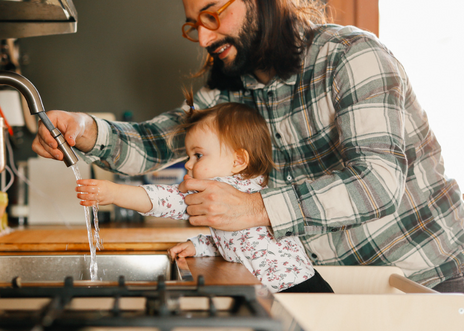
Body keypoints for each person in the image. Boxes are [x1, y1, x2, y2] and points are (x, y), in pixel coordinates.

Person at [32, 0, 464, 331]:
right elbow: (154, 142)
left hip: (422, 286)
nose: (204, 37)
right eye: (194, 24)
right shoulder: (225, 90)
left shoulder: (350, 57)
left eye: (212, 14)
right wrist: (85, 130)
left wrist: (254, 208)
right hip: (329, 293)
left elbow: (376, 185)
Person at [76, 98, 333, 294]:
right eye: (188, 156)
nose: (188, 164)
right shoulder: (245, 191)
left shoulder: (231, 189)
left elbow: (166, 200)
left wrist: (113, 192)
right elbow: (240, 242)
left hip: (295, 290)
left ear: (238, 161)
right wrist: (199, 245)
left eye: (198, 155)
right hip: (297, 286)